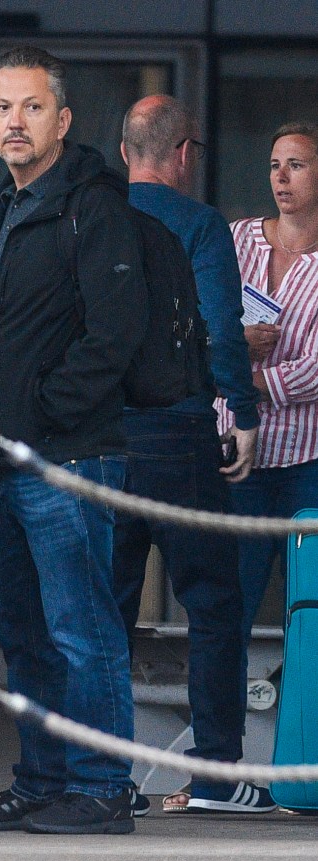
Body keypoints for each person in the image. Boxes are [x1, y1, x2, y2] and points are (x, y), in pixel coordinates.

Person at [0, 47, 149, 835]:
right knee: (24, 635)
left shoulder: (94, 205)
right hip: (1, 458)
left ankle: (103, 786)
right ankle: (40, 780)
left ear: (63, 121)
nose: (15, 121)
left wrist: (37, 412)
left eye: (32, 107)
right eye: (3, 107)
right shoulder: (4, 206)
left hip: (65, 457)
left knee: (84, 630)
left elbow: (117, 336)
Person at [115, 95, 276, 815]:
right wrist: (240, 411)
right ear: (184, 154)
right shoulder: (201, 224)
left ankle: (99, 774)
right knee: (214, 606)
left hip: (102, 443)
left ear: (125, 153)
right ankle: (214, 775)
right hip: (180, 437)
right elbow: (221, 328)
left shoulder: (91, 217)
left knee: (102, 612)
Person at [216, 121, 318, 728]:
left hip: (308, 463)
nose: (281, 177)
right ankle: (219, 761)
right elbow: (205, 327)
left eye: (298, 165)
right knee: (230, 606)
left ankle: (300, 750)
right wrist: (233, 349)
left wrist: (241, 371)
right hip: (241, 455)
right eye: (276, 164)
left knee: (307, 613)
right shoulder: (238, 240)